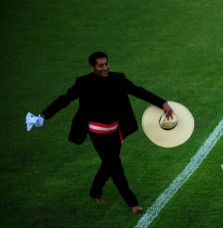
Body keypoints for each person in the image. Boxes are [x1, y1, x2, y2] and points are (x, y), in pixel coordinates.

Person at [30, 51, 173, 214]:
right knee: (115, 165)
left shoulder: (118, 79)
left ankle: (95, 191)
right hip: (97, 133)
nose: (105, 68)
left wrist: (162, 103)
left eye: (106, 64)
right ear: (92, 67)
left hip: (116, 131)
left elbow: (138, 91)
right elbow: (65, 99)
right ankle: (133, 203)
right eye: (101, 65)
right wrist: (43, 116)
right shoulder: (83, 83)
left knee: (108, 164)